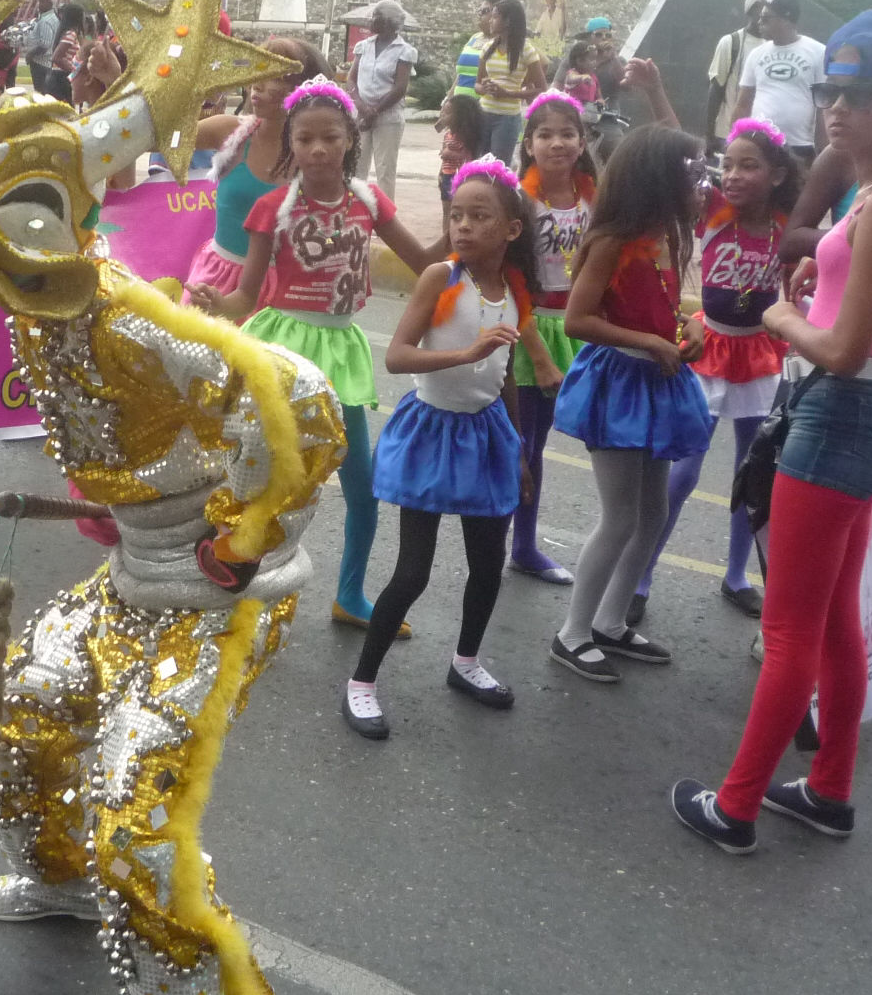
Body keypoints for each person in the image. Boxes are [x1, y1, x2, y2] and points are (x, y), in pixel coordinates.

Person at [672, 9, 872, 855]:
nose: (839, 108)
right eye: (833, 90)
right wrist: (817, 273)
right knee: (833, 616)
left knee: (791, 627)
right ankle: (829, 788)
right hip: (863, 414)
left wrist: (780, 314)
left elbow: (838, 349)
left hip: (841, 411)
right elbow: (869, 308)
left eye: (863, 93)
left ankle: (737, 807)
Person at [187, 78, 441, 629]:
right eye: (305, 140)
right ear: (292, 146)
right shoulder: (271, 208)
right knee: (259, 476)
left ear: (351, 138)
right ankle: (226, 578)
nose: (318, 149)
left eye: (330, 137)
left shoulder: (370, 202)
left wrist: (468, 206)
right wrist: (215, 303)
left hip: (340, 349)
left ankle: (350, 595)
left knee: (362, 485)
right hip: (283, 348)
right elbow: (244, 299)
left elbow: (426, 262)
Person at [341, 159, 551, 739]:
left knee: (487, 566)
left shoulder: (512, 289)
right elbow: (399, 355)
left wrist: (519, 451)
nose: (462, 226)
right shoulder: (442, 277)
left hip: (487, 435)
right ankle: (361, 683)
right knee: (413, 572)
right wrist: (464, 355)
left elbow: (504, 370)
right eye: (456, 215)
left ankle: (466, 662)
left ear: (511, 229)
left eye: (479, 217)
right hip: (433, 431)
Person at [547, 124, 714, 683]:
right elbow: (578, 320)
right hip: (618, 383)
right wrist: (648, 341)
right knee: (619, 516)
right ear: (658, 180)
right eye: (689, 173)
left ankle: (612, 621)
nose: (700, 182)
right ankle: (573, 632)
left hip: (657, 382)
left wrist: (687, 325)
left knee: (654, 512)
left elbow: (656, 304)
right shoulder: (613, 241)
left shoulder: (664, 233)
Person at [629, 118, 799, 625]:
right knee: (683, 470)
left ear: (777, 175)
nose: (734, 175)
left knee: (755, 472)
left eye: (749, 166)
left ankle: (736, 575)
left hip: (761, 352)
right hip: (710, 345)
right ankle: (641, 576)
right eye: (729, 164)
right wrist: (659, 95)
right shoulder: (714, 212)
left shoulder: (788, 224)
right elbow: (685, 157)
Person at [507, 89, 596, 584]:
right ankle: (501, 539)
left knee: (539, 446)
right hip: (527, 328)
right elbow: (512, 284)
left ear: (583, 142)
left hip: (572, 326)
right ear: (529, 143)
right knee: (521, 442)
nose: (557, 142)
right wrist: (538, 356)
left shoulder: (590, 197)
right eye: (545, 134)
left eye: (567, 133)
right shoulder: (521, 198)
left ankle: (524, 545)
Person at [185, 38, 326, 301]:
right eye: (258, 69)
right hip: (215, 284)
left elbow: (332, 231)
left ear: (304, 87)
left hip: (284, 293)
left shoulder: (319, 155)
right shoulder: (229, 131)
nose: (258, 83)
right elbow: (159, 136)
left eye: (275, 76)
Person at [735, 0, 825, 164]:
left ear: (786, 20)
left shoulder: (818, 52)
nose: (759, 22)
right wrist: (735, 141)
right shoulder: (756, 54)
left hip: (799, 147)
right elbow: (743, 104)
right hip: (760, 144)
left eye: (766, 18)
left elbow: (823, 109)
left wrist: (822, 154)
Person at [346, 0, 416, 193]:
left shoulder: (405, 51)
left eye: (375, 16)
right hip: (360, 114)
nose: (370, 20)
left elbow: (400, 88)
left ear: (388, 22)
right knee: (356, 167)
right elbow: (351, 80)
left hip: (388, 118)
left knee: (385, 171)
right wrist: (361, 107)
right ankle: (355, 208)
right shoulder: (363, 47)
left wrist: (374, 111)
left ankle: (385, 216)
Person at [470, 0, 544, 164]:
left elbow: (541, 88)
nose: (490, 20)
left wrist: (508, 93)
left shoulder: (526, 50)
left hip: (507, 118)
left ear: (508, 21)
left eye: (495, 16)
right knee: (478, 163)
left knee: (498, 166)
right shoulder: (488, 47)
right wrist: (485, 89)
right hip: (483, 113)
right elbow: (477, 84)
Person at [704, 0, 773, 150]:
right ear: (752, 11)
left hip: (761, 136)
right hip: (728, 134)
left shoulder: (773, 46)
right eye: (763, 10)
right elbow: (716, 89)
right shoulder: (731, 42)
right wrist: (709, 135)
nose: (766, 15)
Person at [435, 89, 488, 203]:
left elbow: (467, 156)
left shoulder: (466, 137)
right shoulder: (447, 135)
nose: (443, 116)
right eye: (443, 112)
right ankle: (446, 221)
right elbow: (444, 160)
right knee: (447, 206)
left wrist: (447, 153)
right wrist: (441, 173)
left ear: (461, 116)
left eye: (447, 113)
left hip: (462, 176)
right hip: (447, 174)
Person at [448, 0, 496, 100]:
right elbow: (460, 75)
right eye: (479, 11)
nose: (479, 14)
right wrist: (447, 101)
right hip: (459, 106)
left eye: (485, 11)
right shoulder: (474, 38)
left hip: (484, 109)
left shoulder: (502, 44)